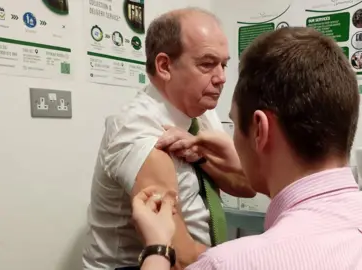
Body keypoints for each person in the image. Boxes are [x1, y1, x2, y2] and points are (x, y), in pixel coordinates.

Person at [132, 26, 362, 269]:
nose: (219, 78)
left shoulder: (229, 263)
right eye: (208, 64)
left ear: (260, 130)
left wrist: (157, 249)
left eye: (236, 126)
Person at [82, 7, 255, 270]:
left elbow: (247, 186)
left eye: (224, 64)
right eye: (207, 64)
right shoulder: (138, 129)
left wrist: (201, 156)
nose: (221, 78)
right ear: (164, 66)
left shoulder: (203, 114)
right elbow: (178, 255)